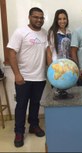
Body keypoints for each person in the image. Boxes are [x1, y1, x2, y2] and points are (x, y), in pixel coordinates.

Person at [7, 7, 47, 147]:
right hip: (23, 78)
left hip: (40, 77)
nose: (39, 20)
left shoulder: (45, 33)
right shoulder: (20, 32)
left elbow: (47, 54)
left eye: (41, 17)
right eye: (36, 17)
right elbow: (11, 53)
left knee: (36, 103)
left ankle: (34, 125)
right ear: (29, 17)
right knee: (21, 105)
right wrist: (17, 74)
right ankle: (19, 132)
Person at [47, 9, 72, 99]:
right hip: (56, 67)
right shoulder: (52, 32)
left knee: (67, 94)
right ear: (56, 20)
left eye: (64, 18)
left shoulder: (69, 32)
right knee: (58, 96)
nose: (62, 21)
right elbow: (49, 51)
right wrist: (50, 68)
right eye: (59, 19)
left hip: (67, 67)